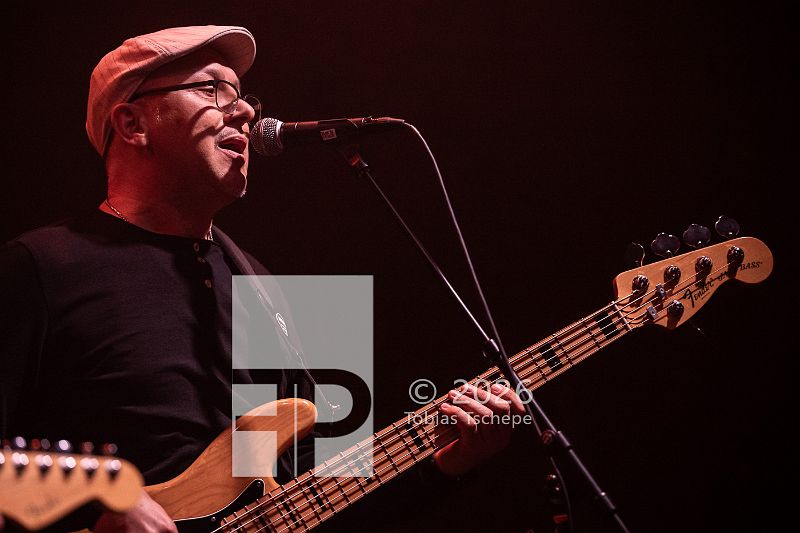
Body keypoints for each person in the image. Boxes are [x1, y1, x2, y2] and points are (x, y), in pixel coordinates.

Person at [0, 25, 524, 531]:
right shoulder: (39, 266)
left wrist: (450, 464)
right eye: (212, 89)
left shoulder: (267, 287)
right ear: (134, 124)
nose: (246, 111)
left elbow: (320, 503)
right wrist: (96, 494)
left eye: (244, 95)